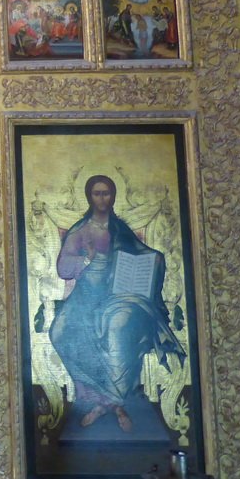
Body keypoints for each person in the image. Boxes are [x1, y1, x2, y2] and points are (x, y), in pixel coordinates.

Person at [49, 175, 185, 433]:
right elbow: (64, 269)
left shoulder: (120, 229)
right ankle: (110, 403)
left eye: (107, 193)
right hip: (87, 296)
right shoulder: (81, 230)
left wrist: (154, 259)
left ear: (113, 196)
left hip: (119, 295)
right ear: (90, 197)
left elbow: (141, 252)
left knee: (118, 327)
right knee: (60, 332)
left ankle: (110, 404)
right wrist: (87, 260)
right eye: (97, 194)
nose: (102, 198)